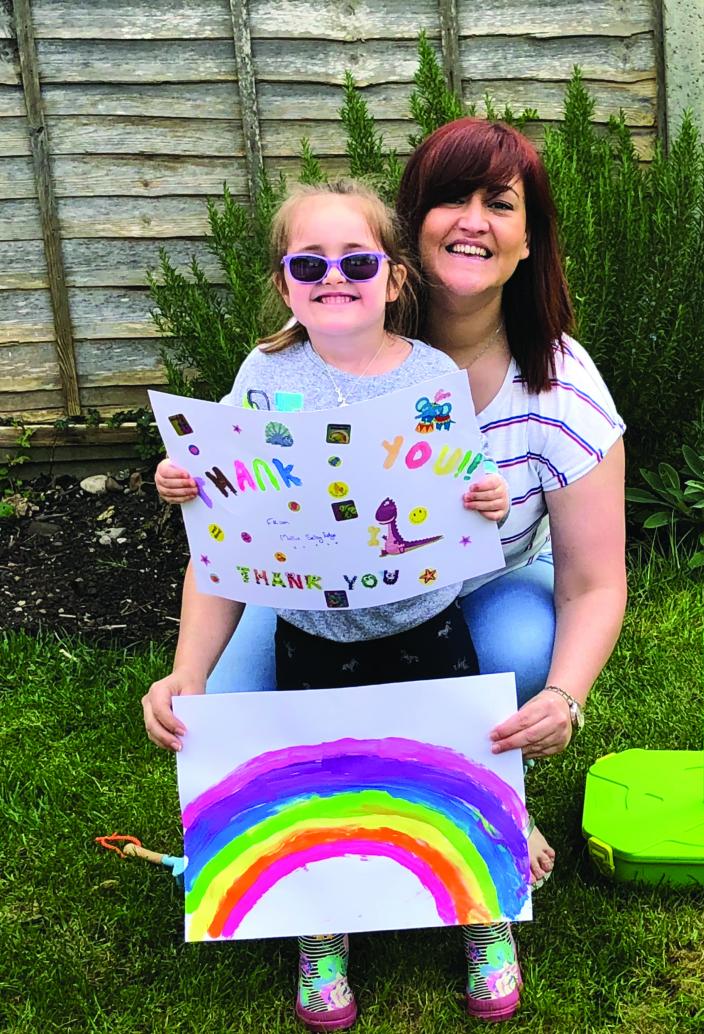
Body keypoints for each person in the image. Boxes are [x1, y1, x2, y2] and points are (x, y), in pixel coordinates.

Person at [144, 179, 529, 1029]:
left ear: (392, 278)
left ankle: (483, 912)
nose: (334, 277)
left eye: (356, 261)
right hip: (310, 629)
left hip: (424, 619)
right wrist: (193, 482)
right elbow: (229, 522)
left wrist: (488, 497)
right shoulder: (262, 372)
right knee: (319, 776)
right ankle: (321, 929)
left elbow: (463, 487)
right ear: (284, 283)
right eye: (308, 263)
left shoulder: (434, 374)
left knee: (452, 762)